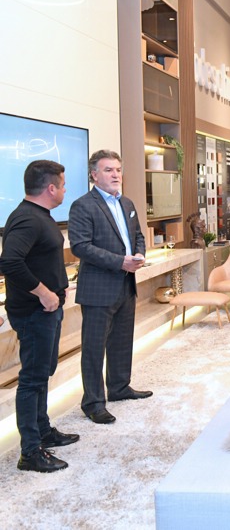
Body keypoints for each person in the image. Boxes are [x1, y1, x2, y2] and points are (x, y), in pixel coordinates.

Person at [0, 160, 78, 472]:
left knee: (42, 373)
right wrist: (44, 292)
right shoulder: (27, 218)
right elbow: (10, 262)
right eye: (63, 184)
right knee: (32, 379)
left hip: (47, 311)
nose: (65, 190)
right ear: (51, 188)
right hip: (34, 312)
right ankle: (30, 452)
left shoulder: (38, 215)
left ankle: (43, 431)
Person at [69, 150, 150, 426]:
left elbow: (138, 235)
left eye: (117, 169)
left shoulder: (127, 202)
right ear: (94, 175)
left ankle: (119, 387)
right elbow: (81, 246)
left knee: (122, 340)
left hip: (126, 282)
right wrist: (120, 262)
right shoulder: (83, 205)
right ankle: (93, 403)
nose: (116, 175)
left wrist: (139, 254)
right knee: (94, 348)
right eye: (108, 170)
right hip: (98, 288)